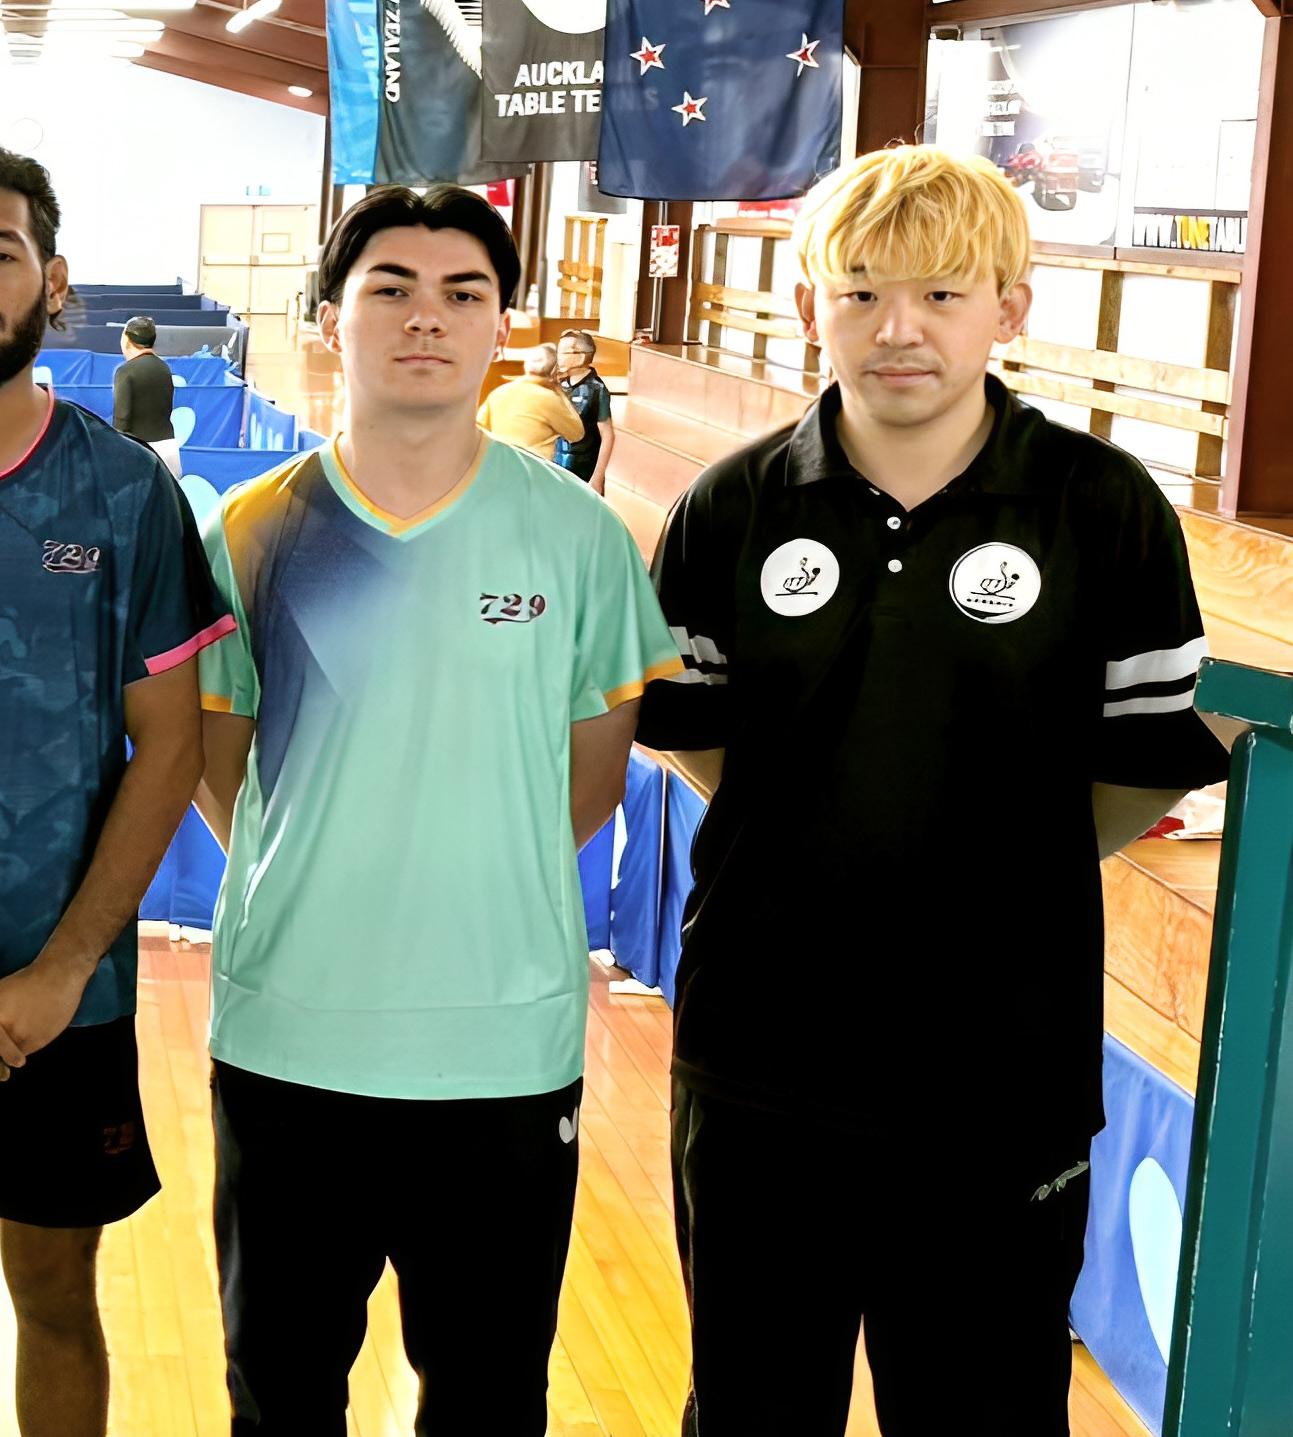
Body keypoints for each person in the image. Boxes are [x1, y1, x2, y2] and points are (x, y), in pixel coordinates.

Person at [636, 146, 1230, 1437]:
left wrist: (989, 870)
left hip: (1002, 1072)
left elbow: (1138, 769)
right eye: (859, 292)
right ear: (809, 305)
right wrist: (826, 837)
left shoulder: (1105, 507)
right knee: (750, 1408)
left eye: (941, 295)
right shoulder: (730, 507)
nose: (897, 328)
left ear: (1010, 307)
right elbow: (700, 739)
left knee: (984, 1412)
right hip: (760, 1057)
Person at [193, 184, 680, 1437]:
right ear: (329, 317)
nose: (427, 317)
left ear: (501, 323)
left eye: (463, 292)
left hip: (503, 1058)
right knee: (279, 1398)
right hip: (290, 1043)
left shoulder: (579, 539)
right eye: (391, 289)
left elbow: (589, 780)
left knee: (488, 1402)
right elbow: (218, 763)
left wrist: (474, 876)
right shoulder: (253, 531)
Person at [0, 148, 234, 1437]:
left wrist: (57, 970)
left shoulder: (124, 492)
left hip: (60, 1001)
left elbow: (172, 748)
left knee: (53, 1298)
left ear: (53, 282)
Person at [476, 340, 584, 461]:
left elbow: (478, 429)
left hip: (498, 463)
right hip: (532, 467)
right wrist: (559, 391)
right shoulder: (549, 399)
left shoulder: (499, 393)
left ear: (526, 366)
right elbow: (577, 434)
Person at [113, 315, 180, 478]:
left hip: (140, 452)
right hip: (169, 449)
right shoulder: (164, 368)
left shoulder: (125, 372)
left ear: (126, 340)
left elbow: (122, 418)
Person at [555, 327, 614, 492]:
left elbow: (607, 435)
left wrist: (598, 476)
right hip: (558, 466)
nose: (559, 357)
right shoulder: (560, 386)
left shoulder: (597, 389)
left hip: (584, 470)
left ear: (581, 356)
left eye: (564, 353)